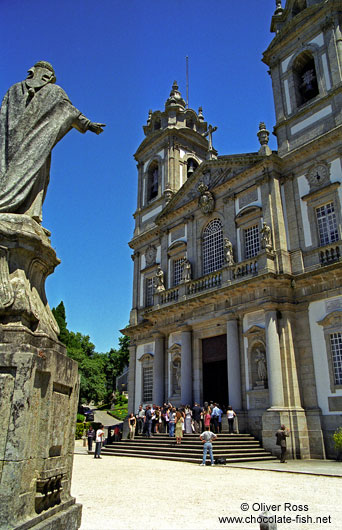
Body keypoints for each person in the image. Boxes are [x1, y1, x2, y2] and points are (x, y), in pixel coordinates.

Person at [0, 61, 105, 223]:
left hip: (14, 144)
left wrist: (88, 124)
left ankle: (23, 210)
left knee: (23, 175)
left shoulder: (14, 90)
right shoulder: (51, 91)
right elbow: (70, 111)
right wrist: (89, 124)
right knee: (34, 175)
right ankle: (25, 211)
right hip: (34, 146)